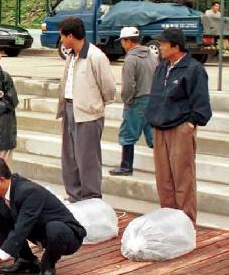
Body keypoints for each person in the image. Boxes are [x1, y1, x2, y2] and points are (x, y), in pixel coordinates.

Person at [0, 158, 86, 275]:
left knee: (55, 229)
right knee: (2, 215)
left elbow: (21, 229)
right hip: (36, 230)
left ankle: (47, 266)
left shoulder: (30, 191)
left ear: (1, 180)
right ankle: (26, 260)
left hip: (66, 235)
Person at [146, 27, 212, 223]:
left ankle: (186, 222)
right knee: (163, 178)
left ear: (175, 46)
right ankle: (168, 220)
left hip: (181, 127)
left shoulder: (194, 69)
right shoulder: (161, 67)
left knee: (183, 177)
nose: (160, 48)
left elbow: (201, 102)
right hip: (159, 127)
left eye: (163, 44)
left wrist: (191, 123)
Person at [55, 17, 116, 202]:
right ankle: (74, 195)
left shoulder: (95, 56)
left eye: (62, 37)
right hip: (69, 109)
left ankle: (91, 198)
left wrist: (95, 104)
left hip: (88, 114)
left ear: (71, 36)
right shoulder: (71, 55)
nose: (61, 41)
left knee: (87, 159)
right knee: (70, 156)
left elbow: (109, 87)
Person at [110, 27, 158, 176]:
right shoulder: (151, 54)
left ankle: (126, 166)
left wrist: (127, 100)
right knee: (153, 135)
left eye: (123, 41)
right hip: (153, 98)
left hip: (137, 100)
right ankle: (165, 166)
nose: (122, 45)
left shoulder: (131, 59)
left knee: (127, 134)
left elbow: (128, 85)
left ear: (128, 41)